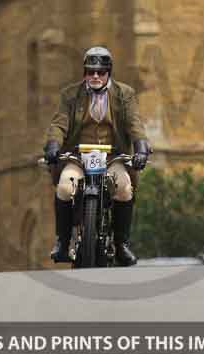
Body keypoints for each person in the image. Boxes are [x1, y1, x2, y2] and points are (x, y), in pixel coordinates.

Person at [43, 46, 150, 266]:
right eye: (90, 71)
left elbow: (134, 124)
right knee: (64, 187)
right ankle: (62, 242)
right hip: (77, 156)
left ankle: (121, 245)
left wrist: (141, 148)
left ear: (108, 73)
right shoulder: (70, 94)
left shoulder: (125, 94)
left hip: (113, 157)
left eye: (100, 72)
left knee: (124, 188)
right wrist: (53, 146)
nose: (95, 76)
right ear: (84, 72)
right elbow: (59, 124)